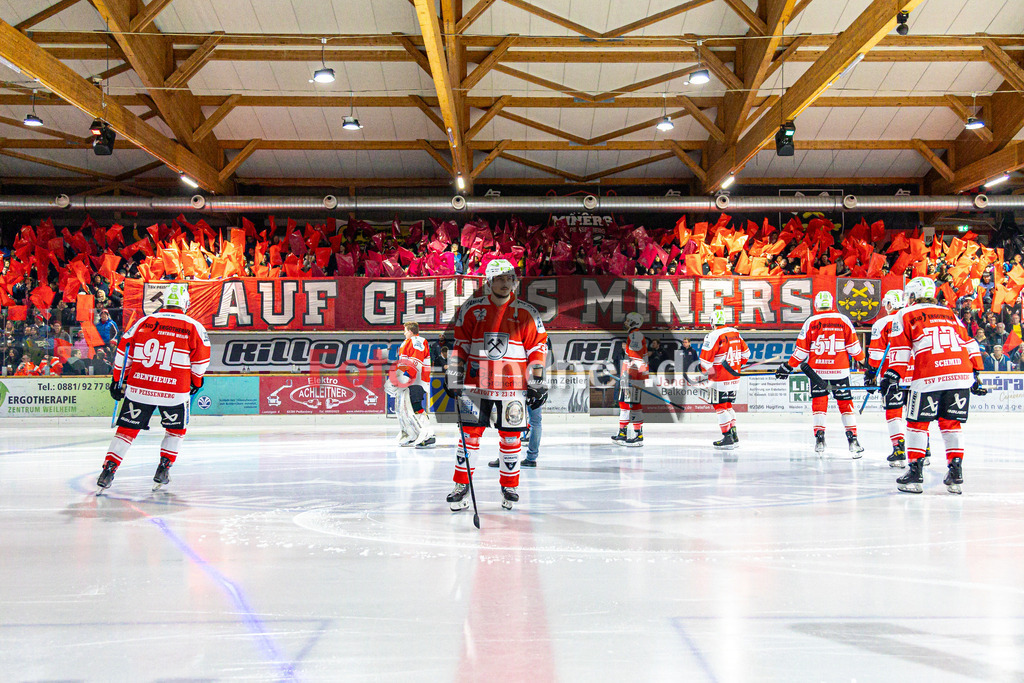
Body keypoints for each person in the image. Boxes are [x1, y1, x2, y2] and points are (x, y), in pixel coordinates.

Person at [444, 259, 547, 512]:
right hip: (474, 388)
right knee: (467, 438)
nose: (505, 283)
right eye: (499, 278)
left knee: (511, 439)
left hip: (512, 389)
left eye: (509, 278)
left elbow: (537, 347)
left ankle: (509, 486)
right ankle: (461, 485)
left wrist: (537, 382)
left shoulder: (527, 312)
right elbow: (461, 346)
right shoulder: (471, 309)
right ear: (488, 281)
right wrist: (454, 377)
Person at [96, 283, 211, 492]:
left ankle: (109, 470)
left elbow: (123, 352)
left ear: (164, 301)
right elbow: (201, 361)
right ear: (185, 303)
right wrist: (196, 382)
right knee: (176, 430)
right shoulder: (194, 326)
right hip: (175, 391)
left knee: (126, 431)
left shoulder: (143, 322)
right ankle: (164, 467)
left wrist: (117, 380)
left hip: (140, 387)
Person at [888, 277, 986, 494]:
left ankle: (915, 473)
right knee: (951, 424)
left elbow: (901, 349)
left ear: (912, 296)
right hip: (960, 373)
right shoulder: (950, 313)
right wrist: (977, 372)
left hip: (928, 374)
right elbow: (969, 342)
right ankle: (955, 472)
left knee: (917, 424)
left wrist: (893, 374)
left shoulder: (905, 314)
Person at [775, 291, 866, 456]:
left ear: (816, 305)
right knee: (846, 406)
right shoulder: (843, 320)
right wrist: (865, 362)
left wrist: (788, 367)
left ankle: (820, 440)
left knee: (819, 405)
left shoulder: (811, 322)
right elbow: (855, 350)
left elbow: (801, 351)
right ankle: (853, 441)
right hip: (840, 372)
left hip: (817, 372)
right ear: (831, 304)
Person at [490, 336, 553, 468]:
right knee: (533, 420)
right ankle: (529, 457)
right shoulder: (541, 336)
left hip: (520, 378)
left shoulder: (524, 332)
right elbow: (546, 360)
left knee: (511, 418)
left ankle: (508, 455)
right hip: (532, 377)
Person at [864, 290, 909, 467]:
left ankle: (899, 449)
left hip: (891, 375)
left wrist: (870, 375)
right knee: (917, 414)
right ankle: (924, 450)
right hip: (914, 374)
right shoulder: (911, 317)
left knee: (894, 412)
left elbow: (876, 354)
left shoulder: (882, 323)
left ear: (890, 304)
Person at [699, 309, 750, 450]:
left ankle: (727, 437)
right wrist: (738, 365)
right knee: (728, 405)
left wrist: (702, 370)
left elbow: (705, 363)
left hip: (718, 379)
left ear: (712, 322)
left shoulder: (713, 335)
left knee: (720, 407)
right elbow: (746, 354)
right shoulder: (735, 332)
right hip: (734, 377)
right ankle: (734, 435)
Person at [392, 321, 435, 448]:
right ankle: (414, 435)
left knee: (416, 406)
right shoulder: (406, 343)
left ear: (410, 331)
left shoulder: (417, 340)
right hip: (410, 379)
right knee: (406, 408)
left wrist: (407, 375)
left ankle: (429, 436)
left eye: (405, 330)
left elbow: (416, 359)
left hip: (416, 380)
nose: (404, 333)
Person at [611, 312, 647, 447]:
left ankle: (638, 435)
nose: (625, 322)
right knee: (624, 404)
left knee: (634, 406)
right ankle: (622, 433)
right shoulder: (633, 335)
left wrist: (632, 377)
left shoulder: (635, 335)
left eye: (628, 320)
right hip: (628, 376)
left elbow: (637, 358)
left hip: (633, 377)